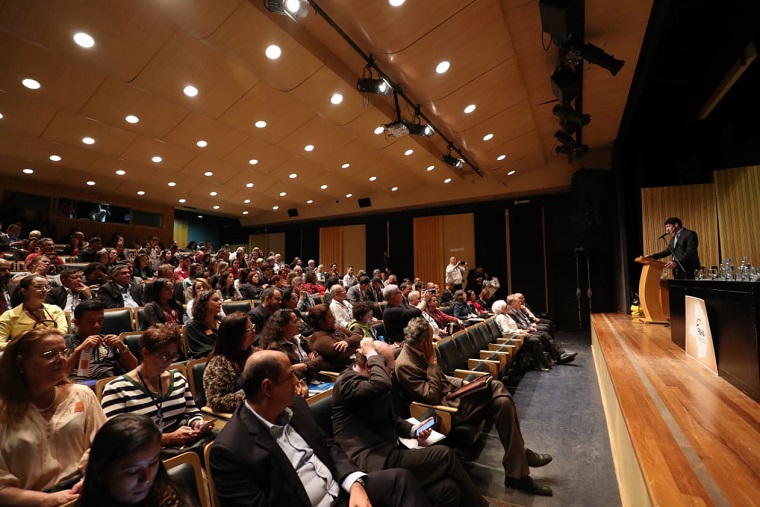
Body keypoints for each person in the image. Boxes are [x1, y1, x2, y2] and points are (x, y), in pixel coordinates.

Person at [209, 349, 431, 507]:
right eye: (290, 377)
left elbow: (328, 445)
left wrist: (355, 484)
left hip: (340, 492)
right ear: (267, 388)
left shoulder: (295, 405)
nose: (297, 382)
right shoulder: (230, 449)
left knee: (400, 480)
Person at [395, 317, 554, 496]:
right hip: (444, 410)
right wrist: (432, 365)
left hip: (453, 397)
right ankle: (521, 457)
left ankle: (517, 473)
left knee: (502, 403)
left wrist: (464, 383)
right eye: (431, 338)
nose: (433, 340)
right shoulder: (405, 365)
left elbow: (444, 379)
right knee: (496, 386)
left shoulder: (421, 351)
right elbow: (430, 397)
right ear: (423, 342)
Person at [332, 338, 488, 507]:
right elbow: (382, 383)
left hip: (387, 452)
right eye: (389, 370)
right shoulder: (347, 382)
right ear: (371, 366)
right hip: (370, 460)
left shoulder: (372, 383)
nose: (390, 376)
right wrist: (371, 351)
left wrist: (415, 429)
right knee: (446, 456)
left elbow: (392, 420)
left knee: (448, 489)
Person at [0, 328, 106, 505]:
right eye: (49, 354)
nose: (61, 360)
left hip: (82, 493)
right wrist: (46, 500)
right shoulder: (4, 410)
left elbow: (105, 448)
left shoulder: (83, 395)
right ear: (20, 364)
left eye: (64, 352)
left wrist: (90, 479)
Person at [100, 324, 215, 460]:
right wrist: (167, 439)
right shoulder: (116, 389)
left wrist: (198, 424)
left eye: (174, 356)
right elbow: (117, 440)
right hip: (145, 457)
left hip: (185, 448)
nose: (170, 362)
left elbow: (191, 412)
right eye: (165, 357)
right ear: (145, 353)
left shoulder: (177, 378)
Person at [77, 413, 189, 507]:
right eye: (132, 471)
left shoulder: (167, 496)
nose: (147, 478)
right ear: (100, 471)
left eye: (153, 462)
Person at [66, 299, 138, 382]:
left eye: (100, 320)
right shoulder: (66, 344)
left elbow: (133, 368)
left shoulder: (108, 342)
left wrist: (123, 348)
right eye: (91, 322)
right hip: (79, 389)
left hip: (110, 387)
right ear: (76, 322)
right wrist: (79, 351)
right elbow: (61, 374)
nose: (97, 325)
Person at [203, 312, 258, 414]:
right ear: (236, 335)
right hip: (238, 416)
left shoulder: (257, 353)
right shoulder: (219, 363)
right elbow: (216, 400)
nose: (254, 331)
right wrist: (256, 397)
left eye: (253, 327)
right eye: (249, 329)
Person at [0, 274, 68, 350]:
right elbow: (0, 344)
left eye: (46, 287)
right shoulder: (9, 315)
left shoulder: (55, 310)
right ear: (24, 291)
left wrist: (18, 342)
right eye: (39, 287)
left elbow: (62, 333)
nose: (44, 290)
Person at [260, 309, 321, 384]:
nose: (298, 324)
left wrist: (305, 366)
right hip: (296, 386)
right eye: (295, 322)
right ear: (283, 326)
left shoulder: (300, 339)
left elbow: (320, 359)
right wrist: (310, 364)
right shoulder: (275, 348)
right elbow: (290, 373)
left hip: (314, 381)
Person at [308, 304, 362, 373]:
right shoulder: (319, 338)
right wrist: (356, 345)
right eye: (330, 317)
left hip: (355, 363)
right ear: (321, 322)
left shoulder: (336, 327)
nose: (334, 318)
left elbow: (357, 336)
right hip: (343, 372)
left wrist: (347, 342)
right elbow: (341, 353)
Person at [185, 290, 222, 359]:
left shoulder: (222, 322)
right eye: (215, 300)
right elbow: (201, 352)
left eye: (219, 300)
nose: (220, 303)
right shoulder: (193, 326)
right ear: (204, 303)